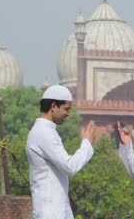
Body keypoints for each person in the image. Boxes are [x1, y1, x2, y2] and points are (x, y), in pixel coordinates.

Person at [26, 85, 95, 219]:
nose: (68, 114)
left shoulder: (46, 131)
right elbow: (70, 166)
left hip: (55, 209)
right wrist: (86, 142)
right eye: (66, 109)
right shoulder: (44, 133)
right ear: (53, 106)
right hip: (50, 212)